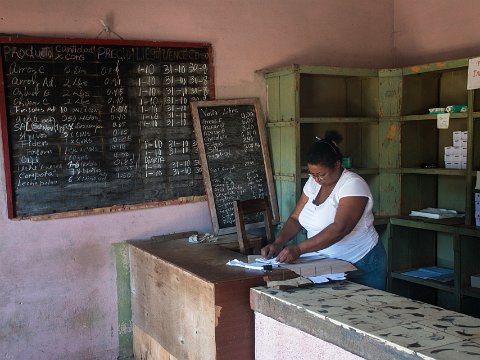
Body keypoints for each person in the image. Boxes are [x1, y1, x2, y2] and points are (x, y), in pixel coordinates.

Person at [261, 131, 387, 290]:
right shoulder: (313, 183)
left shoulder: (353, 184)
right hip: (327, 264)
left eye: (321, 174)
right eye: (312, 174)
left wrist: (299, 249)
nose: (317, 179)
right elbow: (295, 218)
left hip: (360, 262)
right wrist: (278, 243)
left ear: (337, 165)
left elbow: (339, 229)